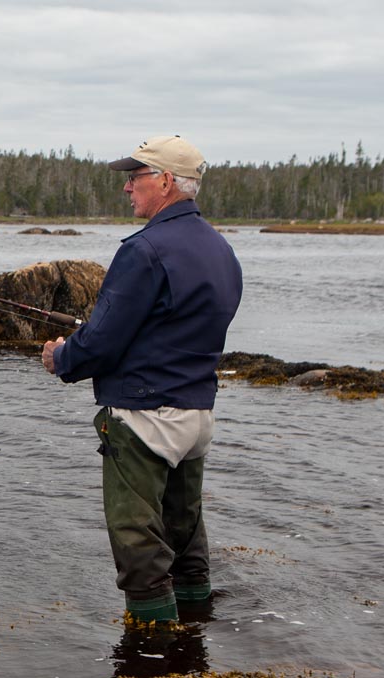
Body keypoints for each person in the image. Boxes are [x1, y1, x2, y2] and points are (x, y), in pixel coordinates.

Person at [41, 135, 242, 623]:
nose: (127, 188)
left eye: (136, 178)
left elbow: (103, 342)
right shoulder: (221, 250)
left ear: (167, 182)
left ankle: (152, 653)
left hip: (145, 418)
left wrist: (62, 357)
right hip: (197, 416)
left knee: (137, 538)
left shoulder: (144, 250)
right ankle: (195, 634)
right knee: (184, 530)